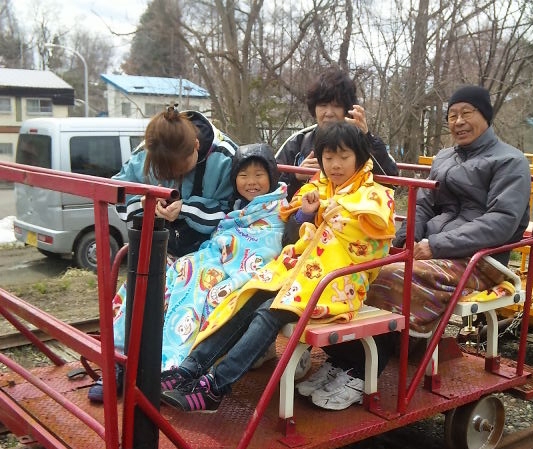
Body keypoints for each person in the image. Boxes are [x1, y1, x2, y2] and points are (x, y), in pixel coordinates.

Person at [298, 85, 531, 404]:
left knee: (389, 278)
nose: (459, 121)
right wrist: (400, 242)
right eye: (452, 115)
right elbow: (423, 205)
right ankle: (343, 360)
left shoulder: (510, 161)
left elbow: (501, 221)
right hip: (434, 248)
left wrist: (436, 245)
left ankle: (363, 371)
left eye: (467, 113)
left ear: (486, 116)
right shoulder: (444, 158)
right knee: (360, 269)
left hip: (480, 258)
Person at [159, 121, 396, 412]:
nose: (335, 165)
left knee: (267, 313)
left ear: (359, 158)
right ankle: (190, 368)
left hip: (337, 281)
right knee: (246, 297)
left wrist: (330, 216)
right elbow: (292, 235)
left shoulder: (373, 196)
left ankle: (217, 386)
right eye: (328, 157)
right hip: (301, 271)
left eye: (344, 157)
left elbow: (369, 246)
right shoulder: (317, 189)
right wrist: (305, 215)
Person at [88, 144, 285, 403]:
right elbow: (224, 229)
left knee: (198, 292)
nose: (251, 182)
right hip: (206, 257)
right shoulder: (236, 205)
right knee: (149, 281)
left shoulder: (279, 207)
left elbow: (267, 243)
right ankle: (118, 359)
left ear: (272, 175)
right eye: (243, 175)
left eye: (259, 175)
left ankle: (166, 366)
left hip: (238, 267)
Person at [113, 105, 237, 257]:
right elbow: (116, 198)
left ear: (196, 145)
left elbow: (237, 215)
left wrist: (186, 209)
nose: (175, 176)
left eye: (182, 168)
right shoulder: (148, 150)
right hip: (160, 252)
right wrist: (143, 204)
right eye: (165, 171)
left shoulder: (227, 158)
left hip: (212, 255)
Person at [276, 67, 398, 201]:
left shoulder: (362, 140)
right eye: (323, 105)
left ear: (348, 109)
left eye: (336, 106)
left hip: (353, 212)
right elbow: (270, 189)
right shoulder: (298, 142)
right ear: (314, 108)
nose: (329, 113)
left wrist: (367, 138)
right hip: (305, 213)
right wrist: (296, 176)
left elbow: (393, 183)